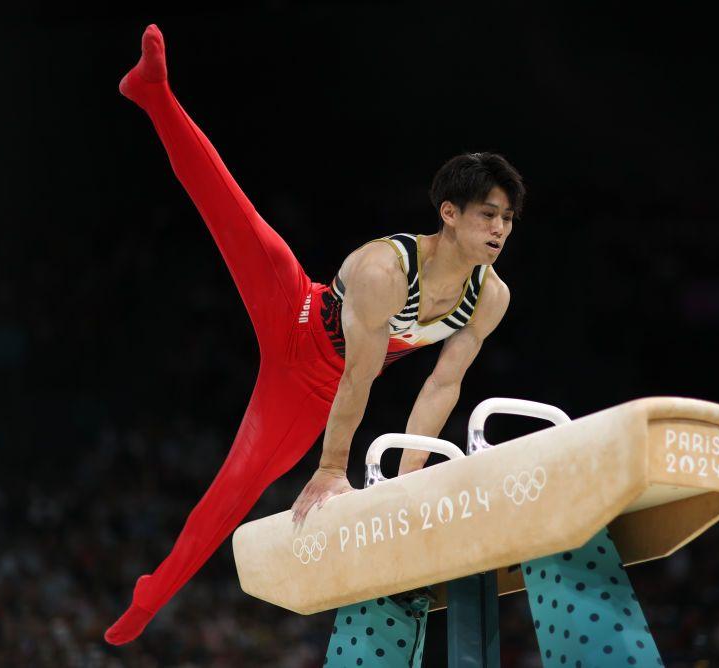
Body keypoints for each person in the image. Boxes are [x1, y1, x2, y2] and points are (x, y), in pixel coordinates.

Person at [104, 24, 518, 646]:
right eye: (489, 214)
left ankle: (150, 595)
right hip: (295, 309)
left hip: (307, 395)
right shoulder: (384, 270)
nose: (501, 228)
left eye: (509, 218)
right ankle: (155, 94)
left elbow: (442, 386)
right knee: (228, 205)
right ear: (449, 214)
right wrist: (332, 467)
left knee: (234, 493)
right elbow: (360, 373)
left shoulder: (490, 298)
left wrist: (407, 477)